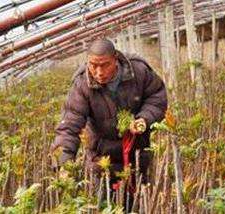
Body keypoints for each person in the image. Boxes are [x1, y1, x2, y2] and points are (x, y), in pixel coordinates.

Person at [50, 38, 167, 190]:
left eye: (105, 65)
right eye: (93, 65)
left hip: (137, 154)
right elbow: (69, 124)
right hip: (102, 159)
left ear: (115, 59)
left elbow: (157, 97)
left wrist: (144, 119)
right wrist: (63, 163)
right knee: (105, 202)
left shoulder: (138, 71)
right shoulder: (82, 84)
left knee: (139, 201)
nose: (99, 72)